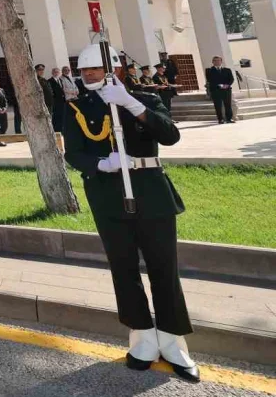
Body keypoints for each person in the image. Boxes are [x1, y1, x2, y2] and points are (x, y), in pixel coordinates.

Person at [63, 43, 198, 383]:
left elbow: (170, 136)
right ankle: (141, 336)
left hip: (150, 191)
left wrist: (129, 102)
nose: (89, 75)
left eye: (95, 69)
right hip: (108, 194)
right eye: (84, 70)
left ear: (116, 71)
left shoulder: (144, 99)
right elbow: (73, 153)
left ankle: (172, 340)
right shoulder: (76, 106)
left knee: (163, 267)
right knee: (123, 267)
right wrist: (101, 163)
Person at [204, 56, 235, 124]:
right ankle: (220, 119)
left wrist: (227, 85)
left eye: (218, 60)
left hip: (226, 90)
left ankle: (229, 118)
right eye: (215, 60)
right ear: (212, 62)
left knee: (228, 105)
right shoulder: (209, 70)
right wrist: (220, 85)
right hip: (216, 90)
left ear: (221, 61)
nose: (217, 62)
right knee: (218, 105)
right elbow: (210, 80)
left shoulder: (227, 70)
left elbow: (231, 79)